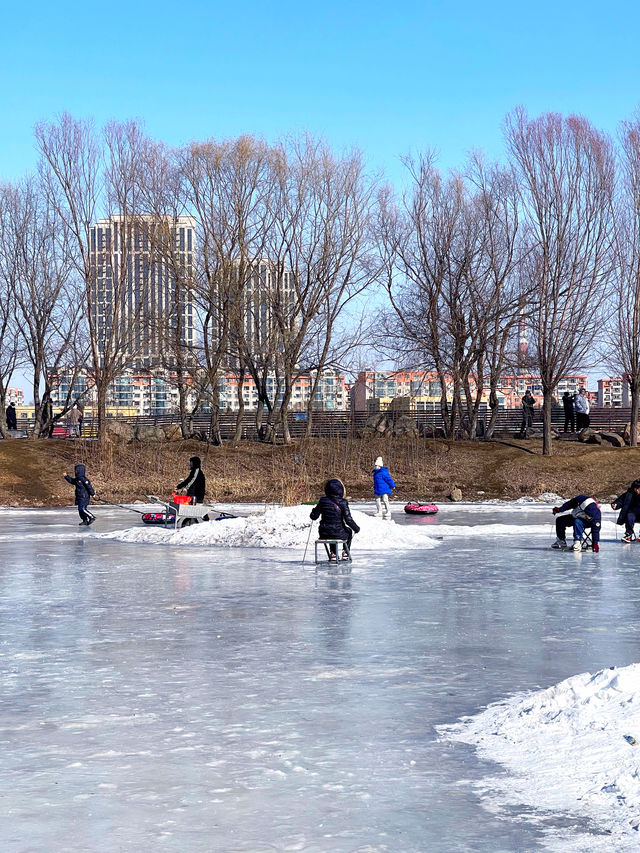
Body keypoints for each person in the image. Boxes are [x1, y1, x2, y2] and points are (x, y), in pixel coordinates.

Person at [310, 478, 361, 561]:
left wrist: (313, 511)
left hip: (324, 532)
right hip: (338, 532)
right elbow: (348, 520)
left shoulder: (322, 501)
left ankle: (333, 553)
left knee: (331, 531)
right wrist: (356, 528)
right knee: (348, 531)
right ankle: (345, 552)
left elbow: (314, 517)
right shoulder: (343, 502)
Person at [611, 479, 640, 543]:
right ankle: (628, 534)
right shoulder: (628, 494)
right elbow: (620, 501)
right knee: (629, 516)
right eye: (637, 488)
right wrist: (615, 504)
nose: (638, 490)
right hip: (632, 514)